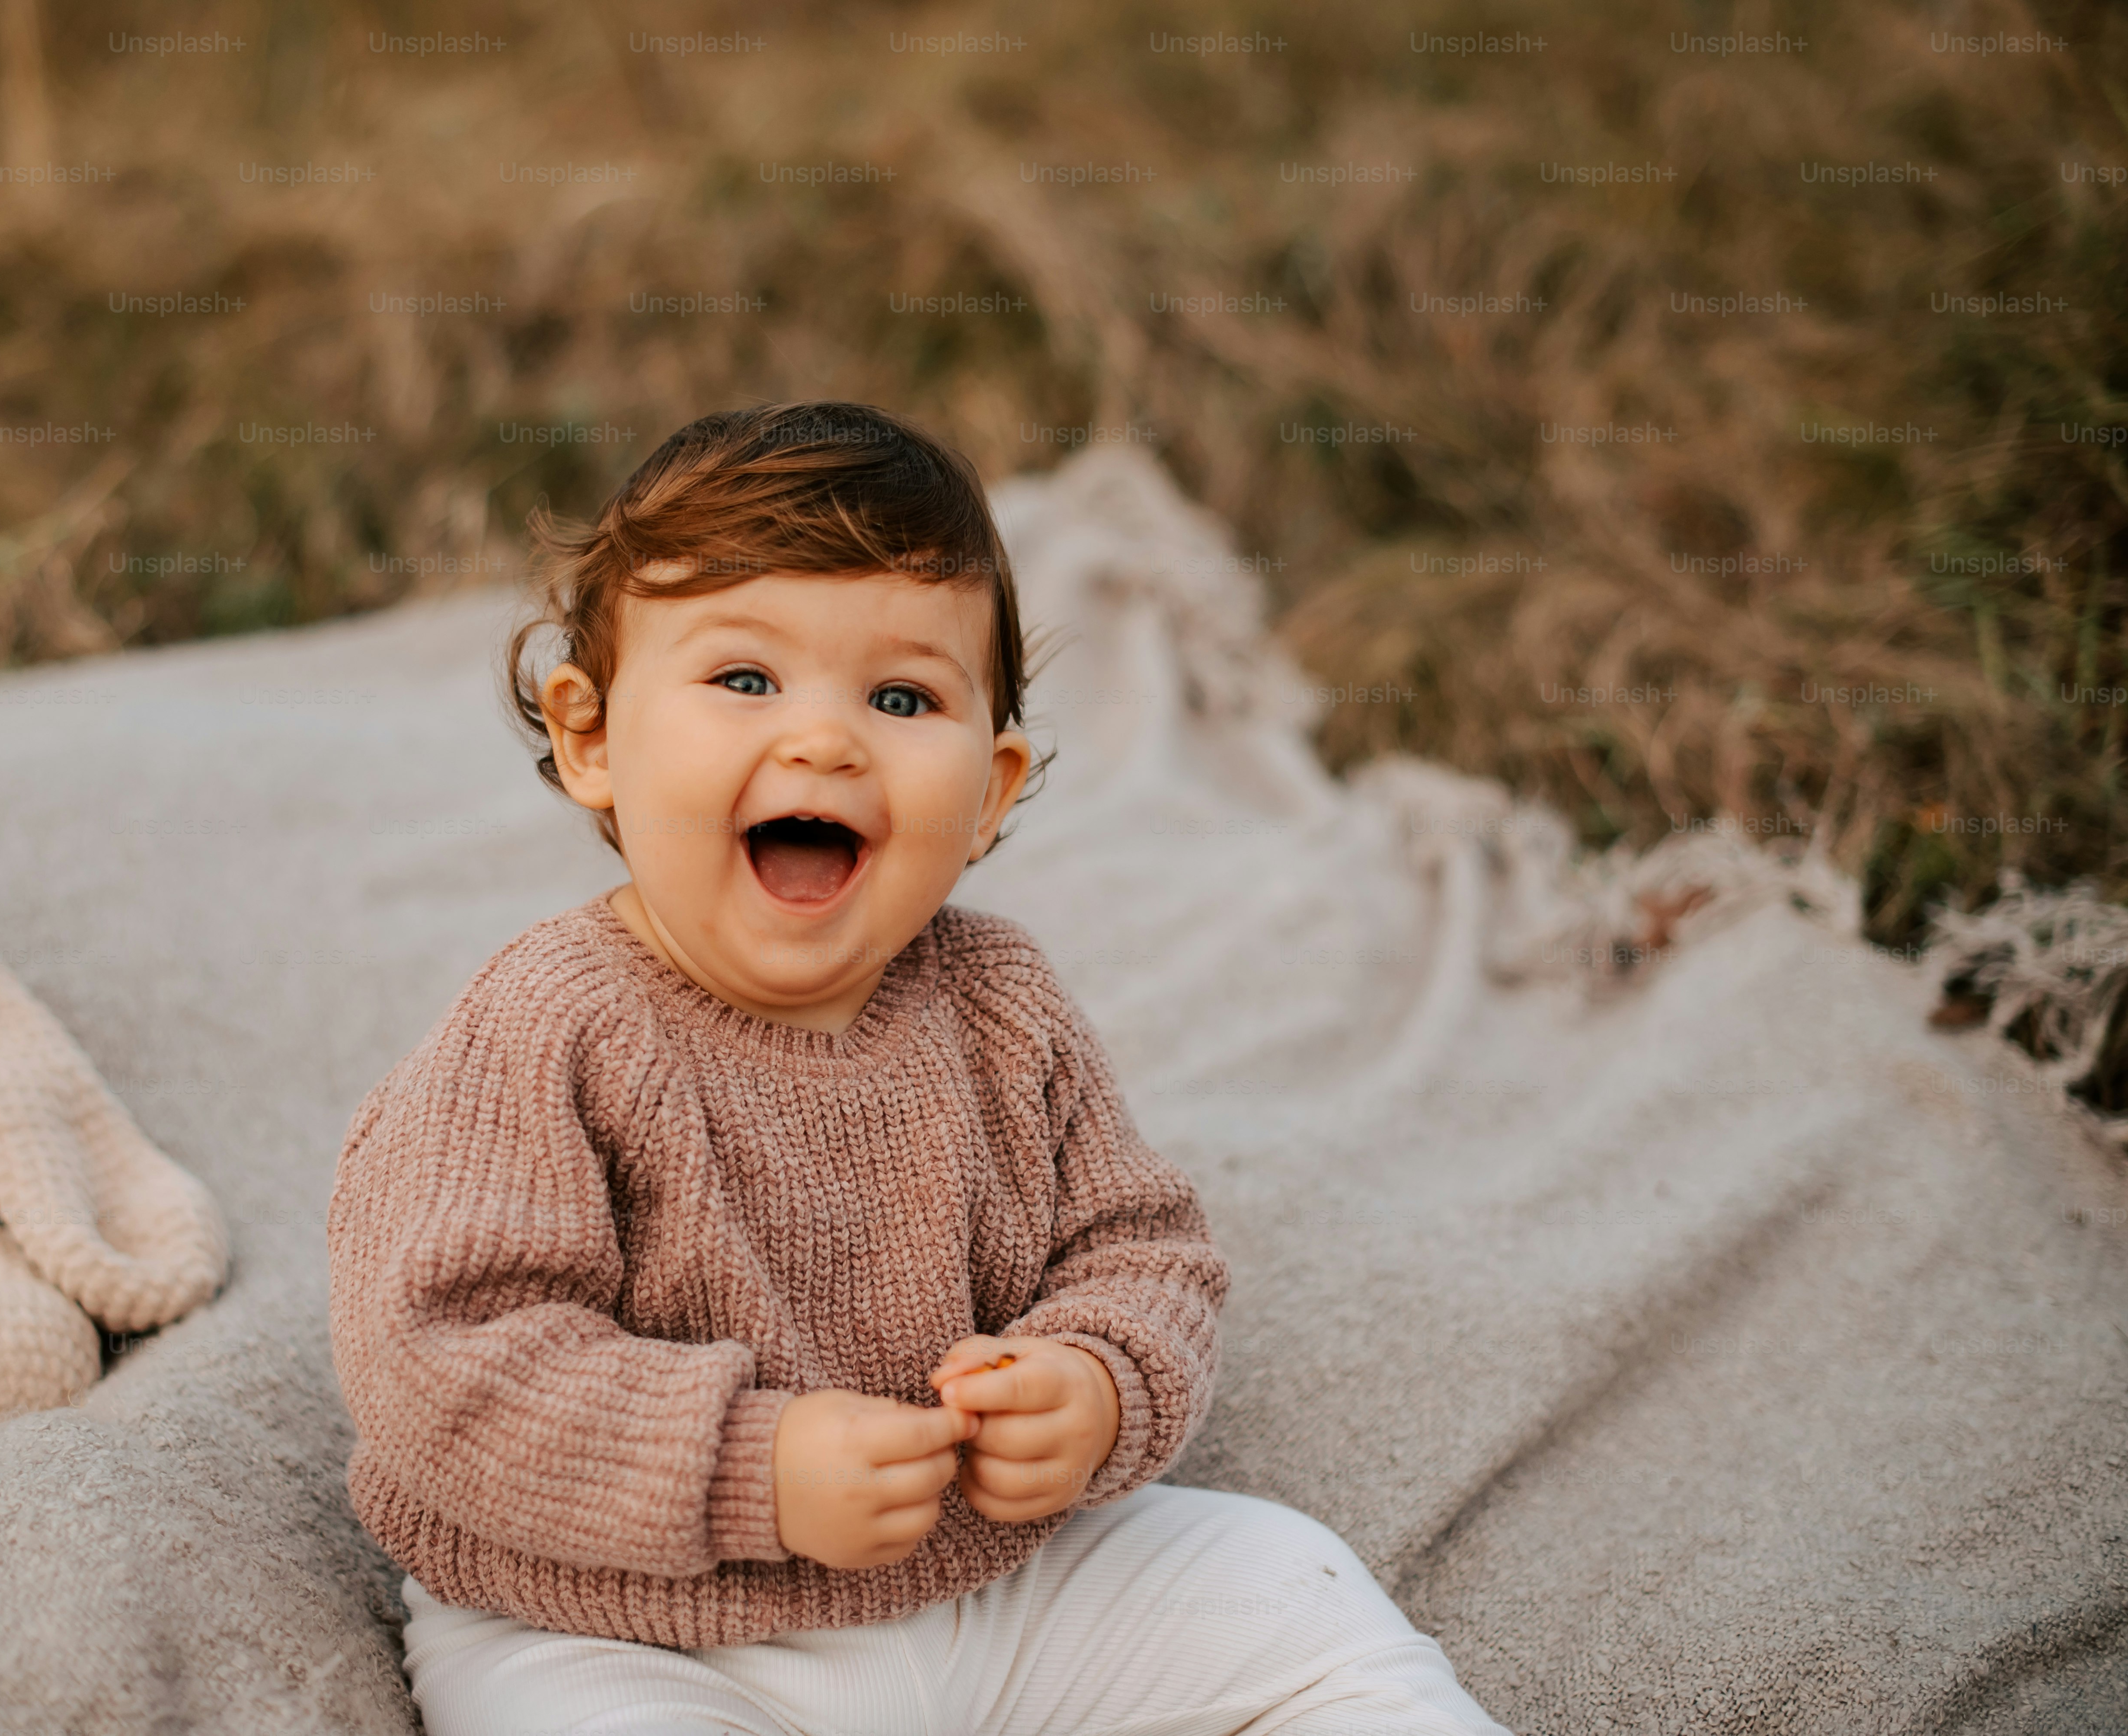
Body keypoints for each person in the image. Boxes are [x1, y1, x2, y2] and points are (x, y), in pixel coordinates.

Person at [326, 402, 1508, 1735]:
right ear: (595, 737)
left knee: (1289, 1591)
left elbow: (1142, 1246)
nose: (826, 742)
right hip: (622, 1613)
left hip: (986, 1579)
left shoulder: (1001, 1002)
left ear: (992, 790)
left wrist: (1096, 1380)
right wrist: (749, 1465)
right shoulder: (546, 1027)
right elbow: (442, 1367)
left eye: (902, 698)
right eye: (746, 680)